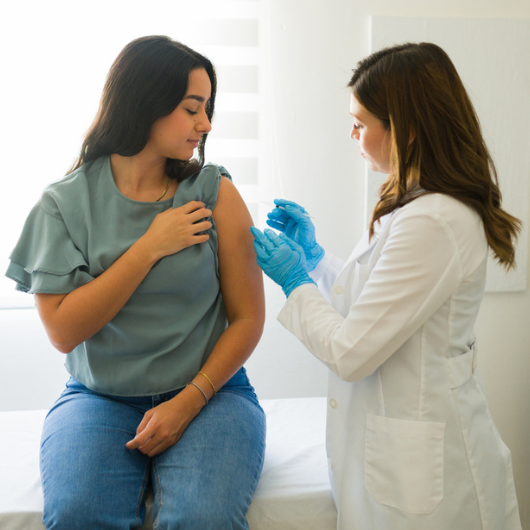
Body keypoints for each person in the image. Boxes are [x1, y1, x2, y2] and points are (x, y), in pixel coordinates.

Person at [251, 42, 522, 530]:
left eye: (361, 122)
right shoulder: (414, 203)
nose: (351, 133)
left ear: (409, 128)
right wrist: (316, 262)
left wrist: (294, 281)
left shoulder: (436, 219)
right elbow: (378, 303)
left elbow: (352, 353)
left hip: (427, 474)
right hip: (400, 451)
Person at [6, 35, 266, 530]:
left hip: (212, 394)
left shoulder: (214, 192)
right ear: (145, 103)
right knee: (79, 515)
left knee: (202, 519)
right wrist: (149, 247)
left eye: (207, 108)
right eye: (193, 108)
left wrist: (188, 401)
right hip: (100, 397)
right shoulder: (62, 205)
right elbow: (63, 331)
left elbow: (249, 317)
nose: (205, 124)